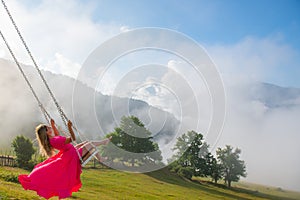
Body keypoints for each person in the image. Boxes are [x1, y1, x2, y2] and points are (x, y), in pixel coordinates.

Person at [18, 119, 111, 199]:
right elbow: (72, 138)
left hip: (70, 152)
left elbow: (58, 136)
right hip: (72, 155)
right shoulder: (54, 140)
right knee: (90, 144)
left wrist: (54, 126)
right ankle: (103, 148)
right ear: (47, 132)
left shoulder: (52, 139)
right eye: (49, 128)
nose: (50, 127)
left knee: (87, 142)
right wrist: (69, 127)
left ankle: (101, 156)